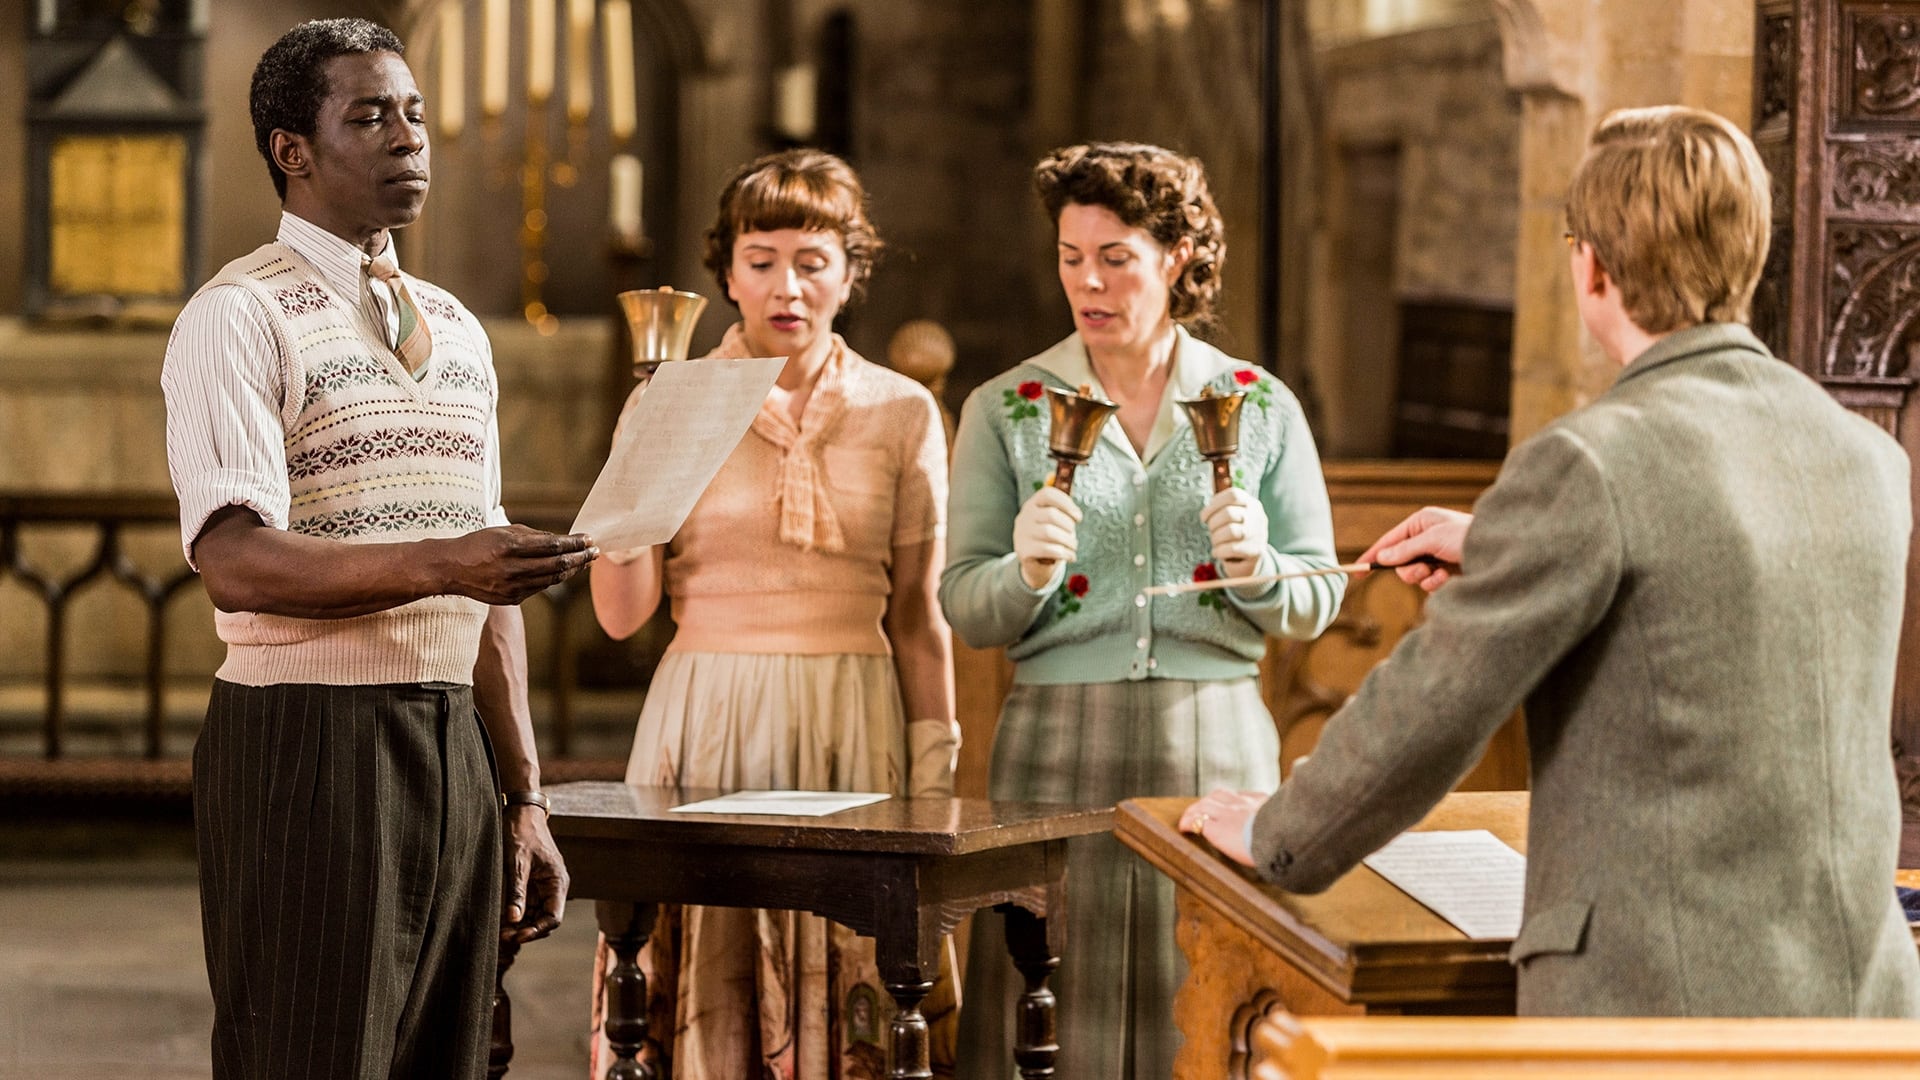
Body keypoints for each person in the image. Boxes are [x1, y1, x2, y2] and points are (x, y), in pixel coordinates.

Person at [1183, 106, 1920, 1018]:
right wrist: (1512, 546)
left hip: (1663, 1008)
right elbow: (1720, 598)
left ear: (1593, 265)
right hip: (1863, 1005)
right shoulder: (1868, 455)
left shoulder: (1591, 462)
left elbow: (1429, 710)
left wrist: (1276, 834)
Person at [160, 18, 596, 1079]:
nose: (409, 139)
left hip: (454, 744)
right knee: (311, 1054)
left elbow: (488, 577)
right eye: (370, 117)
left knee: (449, 1059)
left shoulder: (458, 328)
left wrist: (525, 796)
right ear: (292, 151)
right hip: (309, 738)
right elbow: (235, 560)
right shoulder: (239, 313)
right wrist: (446, 563)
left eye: (414, 113)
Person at [942, 142, 1345, 1077]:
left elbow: (1320, 595)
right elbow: (966, 604)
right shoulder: (1006, 408)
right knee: (1048, 1008)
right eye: (1071, 257)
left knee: (1202, 1003)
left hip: (1213, 746)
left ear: (1177, 257)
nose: (1088, 281)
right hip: (1053, 744)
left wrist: (1259, 569)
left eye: (1116, 258)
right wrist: (1024, 570)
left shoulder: (1259, 405)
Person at [587, 148, 961, 1078]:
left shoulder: (902, 411)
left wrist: (933, 771)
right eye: (761, 261)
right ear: (727, 274)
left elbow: (919, 616)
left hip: (851, 714)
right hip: (708, 713)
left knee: (855, 984)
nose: (786, 287)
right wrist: (639, 479)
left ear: (850, 272)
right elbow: (623, 617)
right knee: (708, 981)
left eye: (811, 261)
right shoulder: (671, 400)